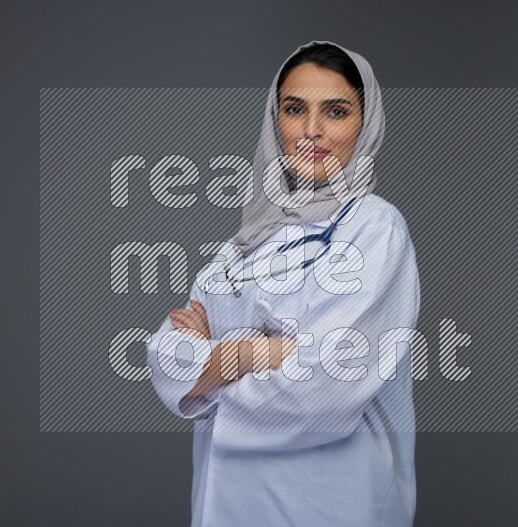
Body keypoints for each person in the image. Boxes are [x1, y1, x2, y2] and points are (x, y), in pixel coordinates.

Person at [146, 40, 420, 526]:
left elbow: (325, 389)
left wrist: (212, 371)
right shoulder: (244, 243)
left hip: (329, 503)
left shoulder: (375, 228)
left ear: (365, 123)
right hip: (227, 505)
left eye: (335, 111)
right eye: (295, 109)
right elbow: (167, 361)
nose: (311, 130)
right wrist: (257, 351)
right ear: (276, 120)